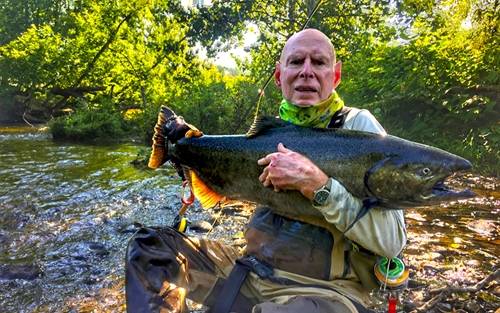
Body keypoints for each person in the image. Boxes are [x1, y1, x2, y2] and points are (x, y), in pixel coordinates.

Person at [125, 28, 407, 313]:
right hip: (249, 275)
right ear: (278, 75)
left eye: (318, 62)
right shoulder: (269, 133)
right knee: (150, 247)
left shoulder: (359, 128)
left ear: (335, 75)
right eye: (296, 62)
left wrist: (319, 186)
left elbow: (393, 243)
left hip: (324, 295)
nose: (306, 71)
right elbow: (221, 189)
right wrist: (191, 148)